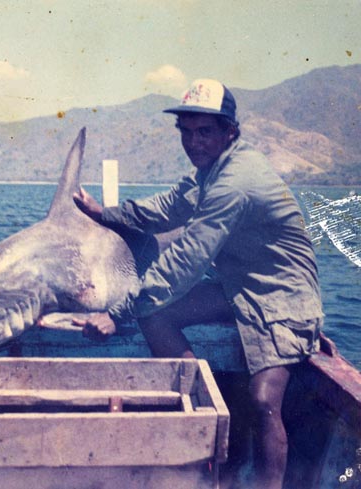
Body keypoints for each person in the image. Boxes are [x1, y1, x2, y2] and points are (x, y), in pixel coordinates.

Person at [72, 79, 323, 489]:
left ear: (230, 131)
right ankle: (206, 411)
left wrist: (117, 314)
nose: (193, 142)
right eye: (186, 132)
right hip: (238, 286)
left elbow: (185, 260)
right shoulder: (210, 171)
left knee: (263, 402)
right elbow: (168, 207)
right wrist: (106, 214)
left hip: (283, 296)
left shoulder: (235, 181)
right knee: (156, 314)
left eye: (204, 131)